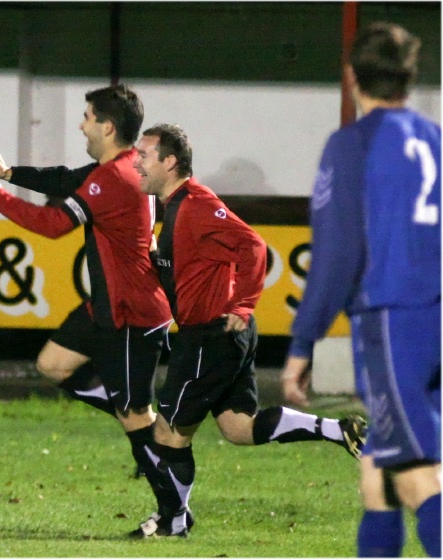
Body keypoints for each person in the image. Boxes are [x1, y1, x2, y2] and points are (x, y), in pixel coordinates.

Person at [128, 123, 368, 538]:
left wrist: (243, 302)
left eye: (145, 155)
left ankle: (174, 520)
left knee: (167, 432)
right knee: (240, 428)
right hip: (220, 335)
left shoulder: (198, 204)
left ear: (170, 162)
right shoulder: (175, 209)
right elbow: (191, 271)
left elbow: (253, 246)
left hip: (211, 336)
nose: (137, 162)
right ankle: (337, 430)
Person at [0, 84, 173, 503]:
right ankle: (136, 416)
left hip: (131, 312)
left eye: (87, 118)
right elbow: (63, 179)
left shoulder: (114, 178)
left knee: (135, 420)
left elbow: (53, 225)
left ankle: (174, 511)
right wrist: (10, 174)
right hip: (108, 305)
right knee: (53, 364)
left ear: (108, 126)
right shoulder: (122, 165)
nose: (82, 126)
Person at [280, 22, 440, 558]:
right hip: (435, 316)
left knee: (416, 477)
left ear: (352, 77)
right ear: (409, 79)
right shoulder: (435, 140)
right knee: (378, 474)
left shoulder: (352, 145)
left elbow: (337, 255)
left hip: (395, 323)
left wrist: (303, 342)